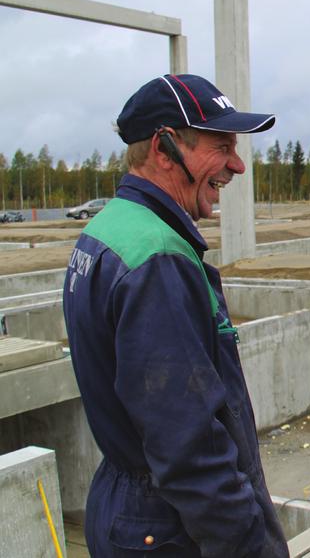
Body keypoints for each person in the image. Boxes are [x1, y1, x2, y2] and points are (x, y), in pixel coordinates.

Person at [63, 73, 289, 557]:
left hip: (127, 506)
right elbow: (190, 451)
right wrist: (251, 545)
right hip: (167, 528)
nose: (236, 165)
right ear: (164, 147)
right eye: (221, 145)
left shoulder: (109, 228)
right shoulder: (158, 259)